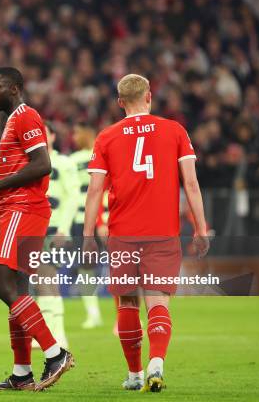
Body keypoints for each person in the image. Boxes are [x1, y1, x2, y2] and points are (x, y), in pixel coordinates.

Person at [83, 74, 209, 392]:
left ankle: (135, 374)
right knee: (158, 303)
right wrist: (201, 227)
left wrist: (86, 235)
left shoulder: (107, 137)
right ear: (150, 96)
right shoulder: (175, 130)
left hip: (123, 233)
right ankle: (157, 362)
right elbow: (191, 183)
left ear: (120, 102)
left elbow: (95, 190)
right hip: (163, 233)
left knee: (127, 304)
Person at [0, 67, 74, 392]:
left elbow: (43, 164)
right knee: (19, 290)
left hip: (23, 211)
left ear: (13, 88)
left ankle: (55, 353)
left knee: (2, 285)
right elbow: (20, 172)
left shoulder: (26, 117)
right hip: (15, 209)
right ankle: (21, 373)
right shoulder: (12, 121)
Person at [33, 123, 80, 350]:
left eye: (45, 132)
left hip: (55, 230)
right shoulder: (31, 162)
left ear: (52, 136)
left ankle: (56, 336)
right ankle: (50, 333)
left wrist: (63, 228)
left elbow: (73, 197)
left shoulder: (64, 163)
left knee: (46, 279)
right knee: (42, 281)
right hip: (34, 229)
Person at [69, 123, 105, 329]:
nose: (73, 137)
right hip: (101, 220)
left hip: (83, 222)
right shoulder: (99, 155)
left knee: (86, 269)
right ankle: (95, 313)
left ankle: (94, 313)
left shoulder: (72, 161)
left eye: (76, 133)